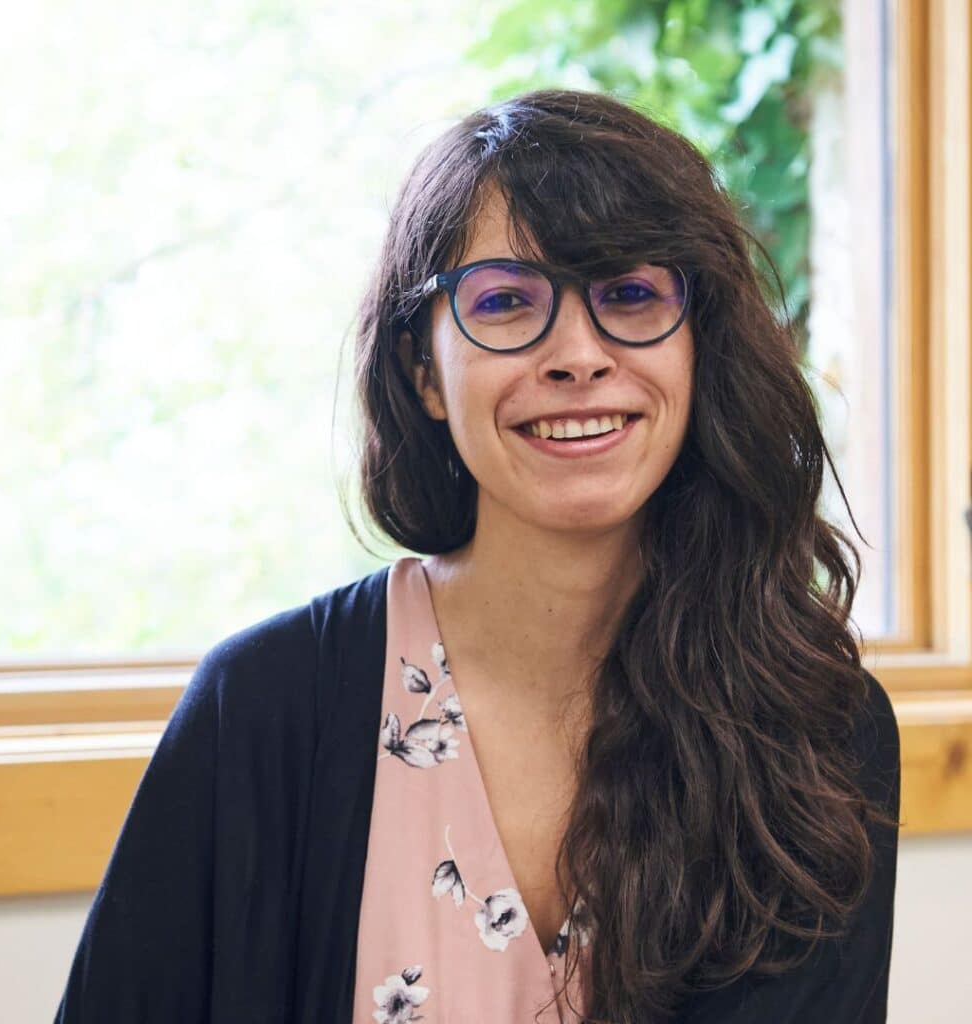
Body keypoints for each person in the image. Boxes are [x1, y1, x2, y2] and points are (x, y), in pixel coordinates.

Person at [54, 88, 901, 1024]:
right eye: (505, 302)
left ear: (700, 349)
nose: (578, 355)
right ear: (424, 371)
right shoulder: (259, 709)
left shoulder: (820, 725)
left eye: (629, 294)